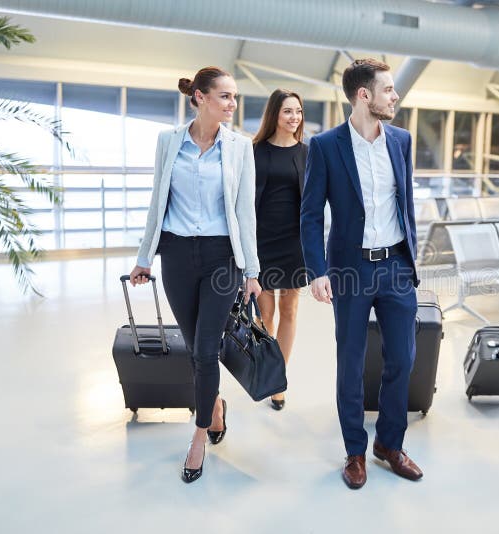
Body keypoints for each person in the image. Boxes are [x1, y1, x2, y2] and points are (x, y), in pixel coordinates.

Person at [129, 66, 262, 484]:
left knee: (207, 350)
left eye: (235, 97)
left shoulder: (240, 147)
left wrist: (252, 271)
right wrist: (144, 256)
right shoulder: (169, 142)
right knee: (194, 348)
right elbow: (157, 201)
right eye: (225, 96)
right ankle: (215, 405)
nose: (233, 104)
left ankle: (199, 435)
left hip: (223, 258)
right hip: (177, 254)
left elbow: (245, 211)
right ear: (200, 98)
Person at [301, 58, 422, 490]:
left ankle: (389, 444)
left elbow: (405, 204)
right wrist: (317, 271)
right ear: (363, 95)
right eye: (387, 89)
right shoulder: (326, 146)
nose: (395, 96)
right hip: (349, 270)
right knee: (350, 363)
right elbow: (311, 214)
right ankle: (355, 450)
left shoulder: (401, 141)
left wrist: (411, 260)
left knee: (404, 358)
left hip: (396, 267)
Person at [252, 89, 309, 411]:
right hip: (260, 242)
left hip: (294, 242)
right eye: (288, 111)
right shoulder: (254, 151)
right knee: (265, 315)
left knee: (289, 311)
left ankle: (278, 379)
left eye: (298, 112)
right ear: (274, 114)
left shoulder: (307, 152)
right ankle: (266, 369)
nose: (294, 118)